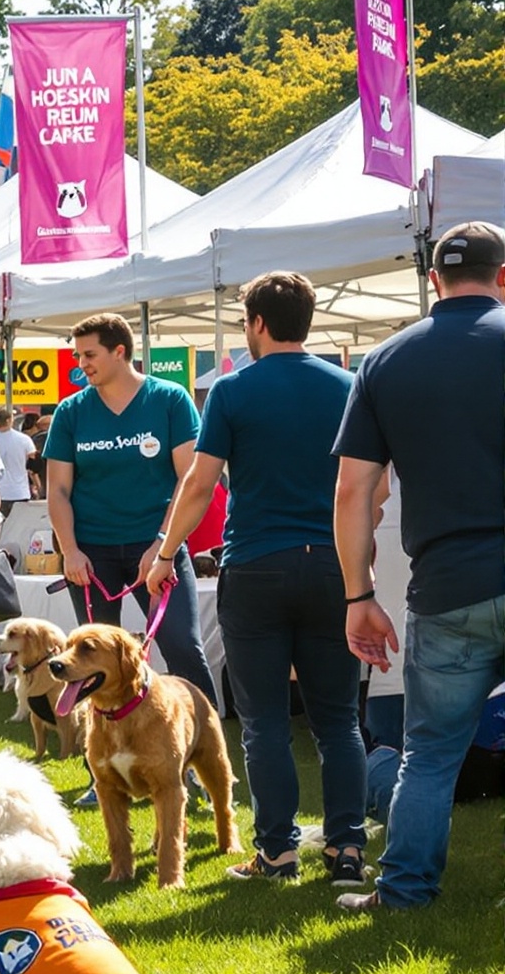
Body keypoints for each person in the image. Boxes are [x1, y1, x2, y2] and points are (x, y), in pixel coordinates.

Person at [148, 272, 361, 886]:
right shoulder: (349, 385)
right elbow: (368, 486)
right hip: (332, 563)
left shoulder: (232, 389)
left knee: (264, 721)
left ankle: (277, 851)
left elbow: (200, 483)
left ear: (258, 324)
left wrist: (166, 553)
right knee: (338, 720)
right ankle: (347, 849)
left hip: (256, 565)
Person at [332, 221, 505, 912]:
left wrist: (359, 595)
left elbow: (353, 492)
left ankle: (404, 890)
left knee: (429, 754)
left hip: (448, 587)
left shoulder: (385, 360)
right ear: (503, 275)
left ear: (433, 280)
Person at [44, 313, 215, 711]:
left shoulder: (170, 399)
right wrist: (70, 551)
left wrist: (163, 546)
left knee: (182, 645)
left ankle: (207, 740)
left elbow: (188, 480)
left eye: (89, 355)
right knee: (96, 662)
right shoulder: (71, 411)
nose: (81, 365)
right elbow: (58, 490)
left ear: (119, 351)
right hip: (91, 554)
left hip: (157, 548)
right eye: (78, 355)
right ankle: (107, 751)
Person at [0, 407, 35, 505]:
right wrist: (38, 486)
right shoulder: (24, 439)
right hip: (20, 492)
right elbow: (33, 466)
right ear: (9, 420)